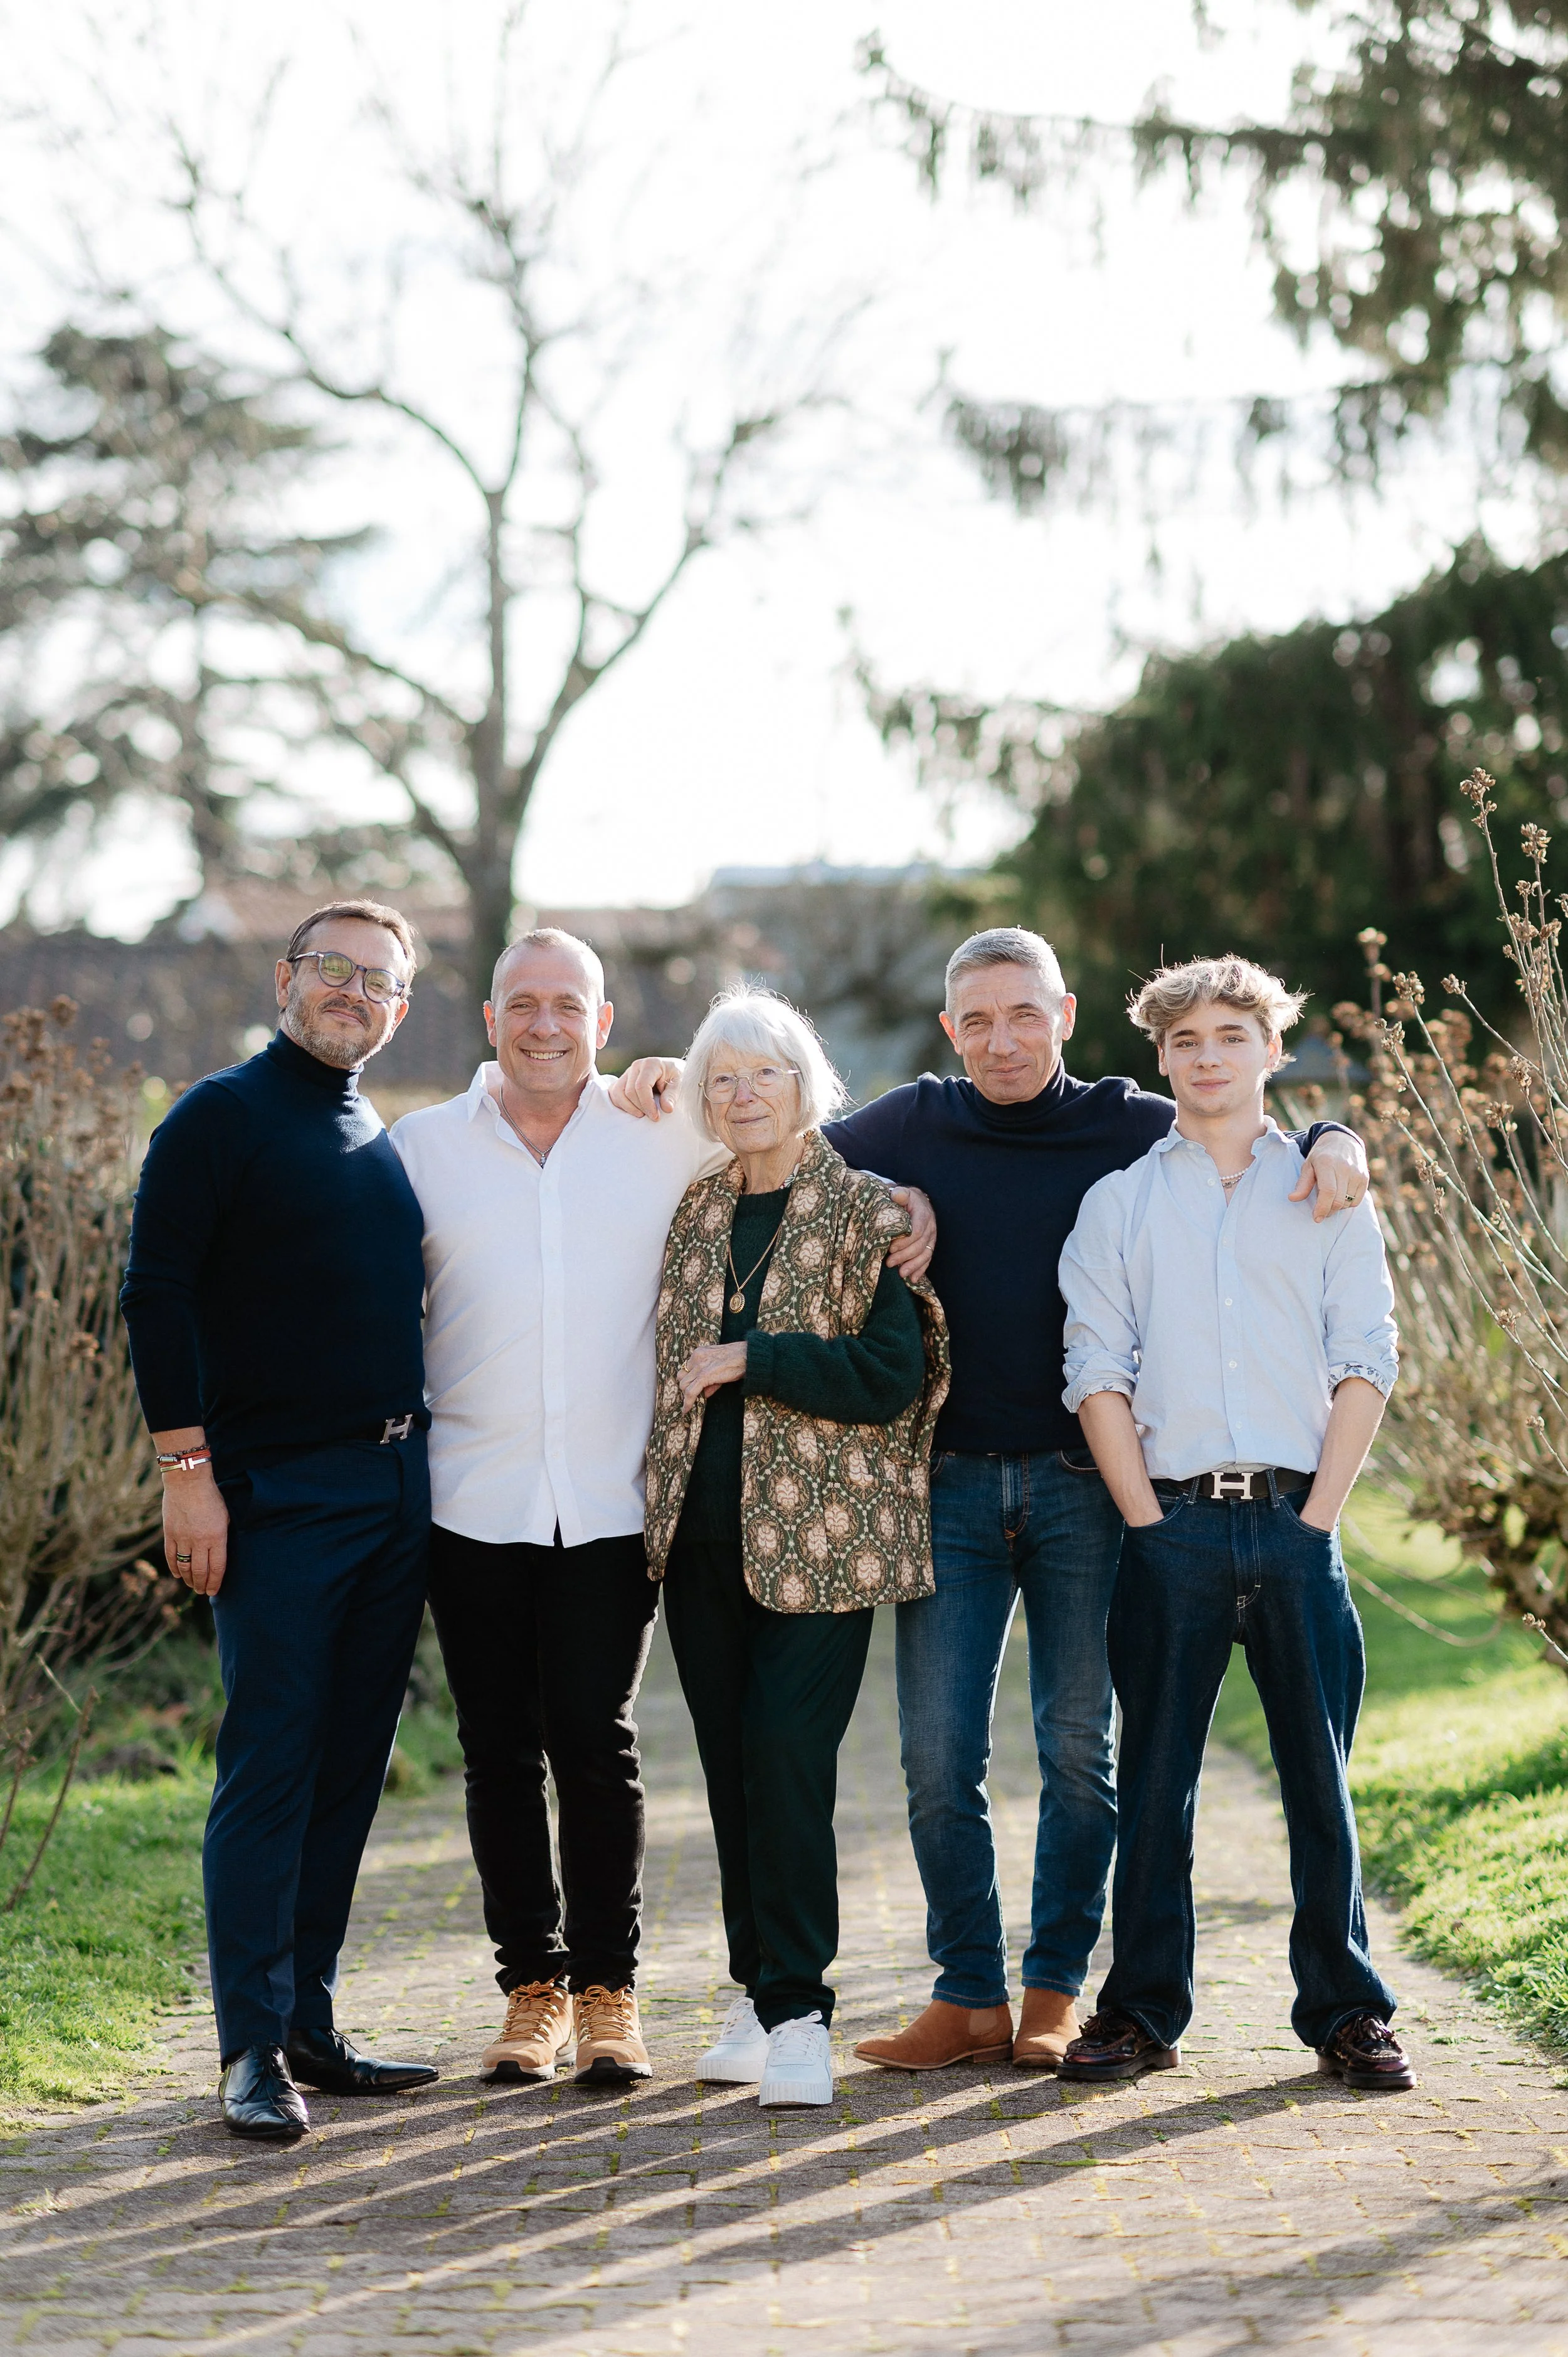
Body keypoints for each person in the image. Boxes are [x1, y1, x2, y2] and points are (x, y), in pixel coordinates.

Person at [612, 927, 1369, 2073]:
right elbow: (768, 1118)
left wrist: (1334, 1133)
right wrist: (660, 1079)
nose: (1002, 1039)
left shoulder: (1132, 1121)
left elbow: (1238, 1120)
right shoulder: (909, 1123)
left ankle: (1056, 1986)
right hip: (946, 1489)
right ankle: (967, 1992)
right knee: (935, 1756)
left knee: (1078, 1750)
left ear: (1064, 1018)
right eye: (978, 1020)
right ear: (949, 1030)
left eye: (1025, 1016)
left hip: (1089, 1492)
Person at [388, 934, 936, 2090]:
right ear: (489, 1019)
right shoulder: (445, 1150)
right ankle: (570, 1995)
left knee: (638, 1751)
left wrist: (898, 1216)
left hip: (689, 1520)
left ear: (601, 1020)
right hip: (548, 1511)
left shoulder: (739, 1165)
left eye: (569, 1006)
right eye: (522, 1003)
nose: (545, 1024)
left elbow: (838, 1164)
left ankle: (678, 2003)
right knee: (527, 1755)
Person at [1057, 955, 1411, 2092]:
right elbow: (1096, 1373)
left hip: (1298, 1525)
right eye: (1187, 1041)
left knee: (1322, 1782)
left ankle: (1349, 2012)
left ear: (1272, 1050)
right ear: (1160, 1058)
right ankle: (1141, 2012)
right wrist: (1145, 1522)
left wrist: (1317, 1521)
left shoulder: (1326, 1190)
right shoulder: (1120, 1204)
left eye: (1230, 1036)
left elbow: (1368, 1360)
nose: (1208, 1058)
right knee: (1155, 1786)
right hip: (1173, 1534)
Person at [119, 900, 440, 2143]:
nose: (354, 991)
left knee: (350, 1769)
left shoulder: (374, 1129)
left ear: (400, 1008)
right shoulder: (221, 1117)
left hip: (393, 1490)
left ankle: (308, 2021)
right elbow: (155, 1293)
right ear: (286, 979)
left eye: (380, 980)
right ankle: (248, 2051)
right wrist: (182, 1467)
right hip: (276, 1494)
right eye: (334, 970)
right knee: (270, 1769)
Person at [641, 988, 949, 2109]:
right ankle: (752, 1992)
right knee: (729, 1776)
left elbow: (890, 1378)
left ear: (804, 1082)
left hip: (824, 1547)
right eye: (722, 1078)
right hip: (705, 1541)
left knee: (786, 1762)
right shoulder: (695, 1209)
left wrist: (751, 1357)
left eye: (765, 1073)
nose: (743, 1094)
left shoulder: (868, 1210)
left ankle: (804, 2013)